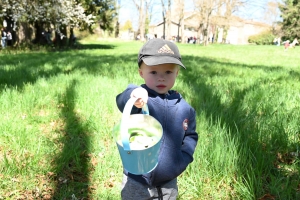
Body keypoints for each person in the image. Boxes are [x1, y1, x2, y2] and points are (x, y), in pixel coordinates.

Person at [116, 38, 198, 200]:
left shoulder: (185, 108)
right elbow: (122, 100)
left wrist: (183, 159)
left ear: (177, 73)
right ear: (141, 73)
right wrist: (134, 96)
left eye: (168, 72)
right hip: (137, 178)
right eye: (153, 72)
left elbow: (191, 136)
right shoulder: (140, 97)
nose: (161, 78)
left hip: (169, 180)